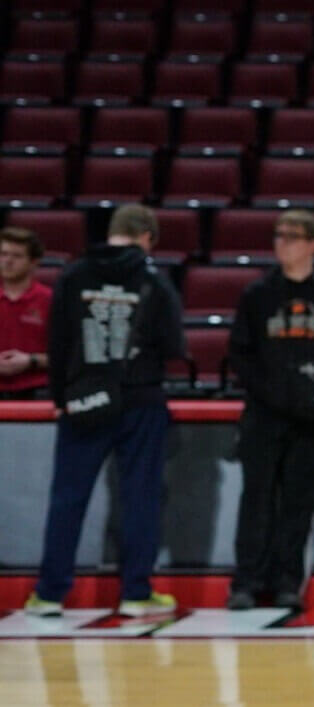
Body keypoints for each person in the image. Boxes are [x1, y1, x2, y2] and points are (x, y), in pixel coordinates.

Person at [27, 205, 184, 618]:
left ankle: (49, 594)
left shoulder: (74, 274)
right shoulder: (153, 279)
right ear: (147, 236)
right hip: (140, 400)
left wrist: (61, 398)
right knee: (140, 499)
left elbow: (58, 342)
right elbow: (173, 344)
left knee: (68, 498)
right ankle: (135, 593)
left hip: (84, 397)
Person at [226, 209, 314, 611]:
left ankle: (287, 584)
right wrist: (273, 393)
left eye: (292, 236)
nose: (282, 242)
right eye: (278, 235)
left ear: (313, 244)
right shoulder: (257, 294)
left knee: (299, 503)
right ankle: (246, 583)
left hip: (312, 420)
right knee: (257, 500)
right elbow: (240, 355)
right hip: (264, 415)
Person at [0, 226, 49, 400]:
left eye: (17, 256)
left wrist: (31, 361)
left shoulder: (49, 300)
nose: (7, 261)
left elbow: (67, 356)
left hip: (38, 391)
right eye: (3, 254)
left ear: (34, 262)